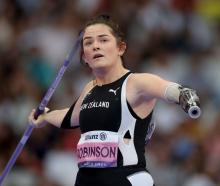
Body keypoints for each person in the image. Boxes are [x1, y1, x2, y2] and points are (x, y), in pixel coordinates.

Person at [28, 14, 201, 186]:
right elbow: (71, 117)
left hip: (125, 179)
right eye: (88, 42)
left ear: (121, 48)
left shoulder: (137, 83)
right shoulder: (89, 88)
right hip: (86, 181)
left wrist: (184, 96)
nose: (95, 46)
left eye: (103, 40)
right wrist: (45, 116)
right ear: (85, 58)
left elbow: (170, 90)